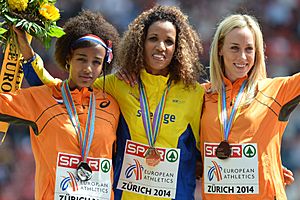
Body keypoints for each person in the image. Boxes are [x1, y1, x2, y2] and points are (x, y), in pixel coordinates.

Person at [18, 5, 206, 199]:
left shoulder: (194, 94)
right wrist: (29, 57)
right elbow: (61, 92)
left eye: (169, 41)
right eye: (153, 39)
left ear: (178, 48)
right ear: (140, 42)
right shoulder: (115, 86)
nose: (161, 47)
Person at [0, 10, 120, 199]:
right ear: (68, 58)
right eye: (81, 59)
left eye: (96, 62)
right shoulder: (43, 98)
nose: (88, 68)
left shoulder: (112, 105)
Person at [200, 14, 299, 199]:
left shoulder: (277, 90)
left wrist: (268, 164)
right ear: (220, 49)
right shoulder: (200, 95)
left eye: (249, 49)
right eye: (234, 48)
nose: (242, 57)